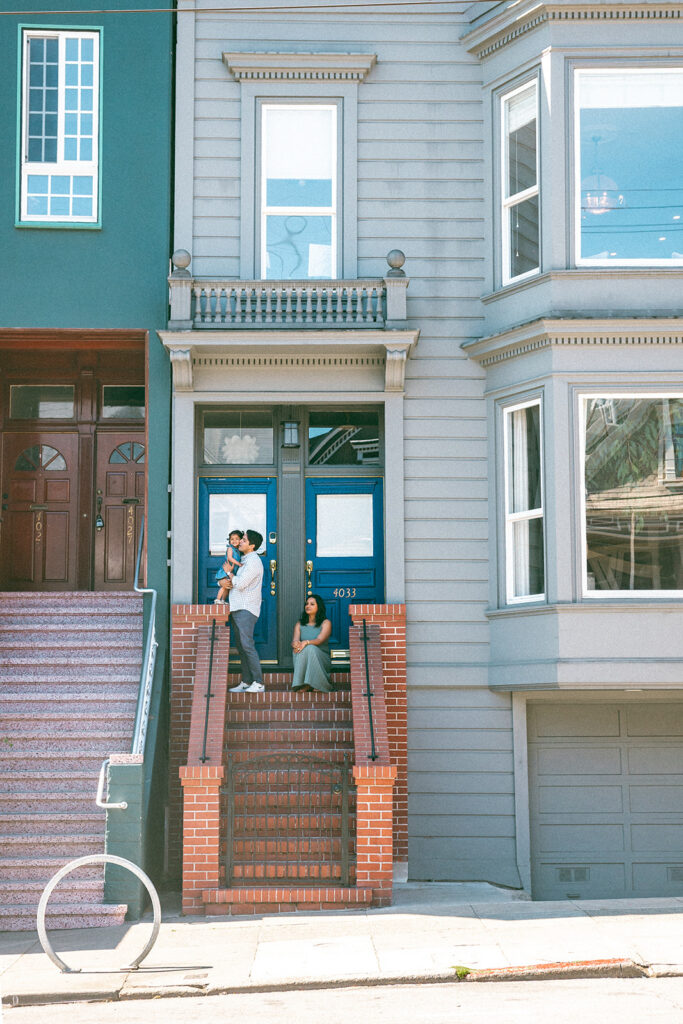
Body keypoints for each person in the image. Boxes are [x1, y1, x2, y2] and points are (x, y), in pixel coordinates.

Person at [226, 529, 265, 693]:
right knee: (242, 647)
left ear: (252, 545)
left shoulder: (254, 562)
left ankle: (259, 682)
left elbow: (240, 584)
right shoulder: (244, 560)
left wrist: (228, 572)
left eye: (244, 539)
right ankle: (247, 681)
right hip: (237, 608)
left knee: (247, 645)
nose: (240, 541)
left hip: (246, 608)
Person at [291, 594, 332, 692]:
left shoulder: (326, 623)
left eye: (312, 604)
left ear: (319, 607)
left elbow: (319, 640)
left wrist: (306, 642)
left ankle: (316, 683)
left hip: (321, 658)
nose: (308, 606)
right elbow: (295, 640)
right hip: (305, 654)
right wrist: (296, 644)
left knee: (310, 648)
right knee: (297, 650)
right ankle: (303, 683)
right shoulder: (300, 623)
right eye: (307, 604)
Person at [214, 528, 243, 605]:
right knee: (224, 585)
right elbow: (230, 558)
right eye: (232, 539)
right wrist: (239, 564)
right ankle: (217, 599)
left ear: (241, 540)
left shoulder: (239, 550)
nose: (234, 541)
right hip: (227, 570)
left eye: (237, 539)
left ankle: (223, 600)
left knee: (228, 587)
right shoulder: (230, 548)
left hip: (231, 571)